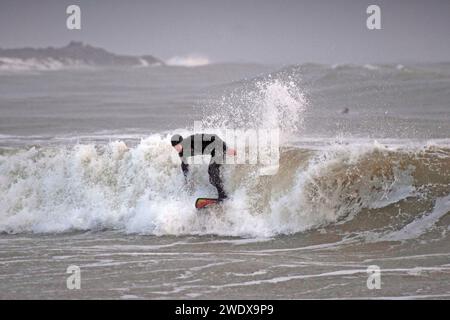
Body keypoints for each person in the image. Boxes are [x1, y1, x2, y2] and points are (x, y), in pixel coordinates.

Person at [171, 133, 236, 201]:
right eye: (174, 147)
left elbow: (214, 137)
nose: (176, 148)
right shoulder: (182, 153)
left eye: (177, 145)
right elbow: (184, 165)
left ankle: (223, 195)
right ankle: (225, 193)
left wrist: (227, 149)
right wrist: (186, 178)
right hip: (214, 153)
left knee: (212, 170)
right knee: (212, 180)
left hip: (219, 148)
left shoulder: (192, 140)